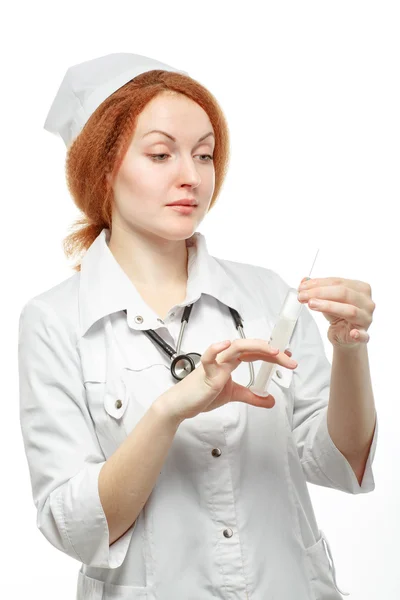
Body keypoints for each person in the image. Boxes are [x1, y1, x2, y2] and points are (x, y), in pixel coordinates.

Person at [18, 53, 378, 600]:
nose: (191, 177)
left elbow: (338, 461)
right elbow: (77, 526)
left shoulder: (265, 295)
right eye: (161, 154)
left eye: (205, 155)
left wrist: (351, 350)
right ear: (102, 166)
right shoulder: (54, 322)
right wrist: (170, 410)